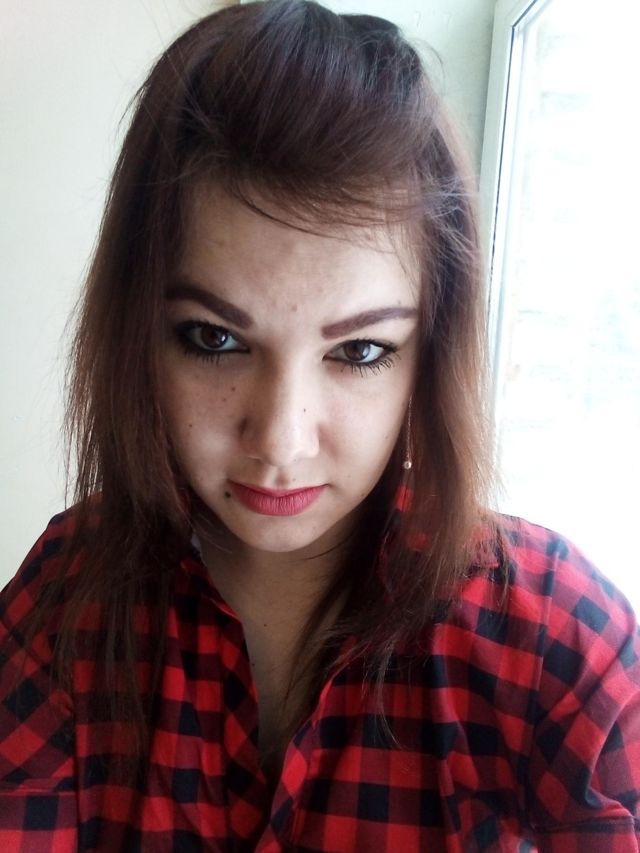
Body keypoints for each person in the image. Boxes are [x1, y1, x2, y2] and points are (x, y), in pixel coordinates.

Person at [1, 0, 638, 849]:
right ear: (137, 336)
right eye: (215, 340)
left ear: (428, 355)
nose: (281, 440)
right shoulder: (66, 601)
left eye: (360, 351)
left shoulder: (557, 638)